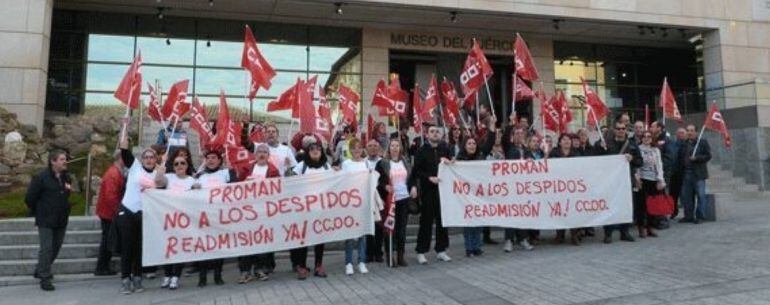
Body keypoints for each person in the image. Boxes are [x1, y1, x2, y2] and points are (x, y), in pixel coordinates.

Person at [116, 138, 160, 294]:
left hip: (145, 216)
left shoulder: (158, 174)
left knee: (140, 249)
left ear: (156, 160)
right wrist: (125, 131)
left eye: (152, 157)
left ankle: (137, 278)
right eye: (146, 157)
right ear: (142, 159)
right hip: (127, 212)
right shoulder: (135, 167)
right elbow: (124, 151)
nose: (149, 160)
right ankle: (125, 279)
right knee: (127, 248)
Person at [25, 150, 72, 291]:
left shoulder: (66, 177)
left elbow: (67, 194)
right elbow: (29, 198)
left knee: (56, 247)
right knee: (46, 248)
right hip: (45, 219)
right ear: (53, 161)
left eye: (65, 159)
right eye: (62, 159)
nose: (65, 162)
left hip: (61, 218)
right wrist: (39, 210)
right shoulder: (41, 177)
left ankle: (40, 269)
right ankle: (45, 277)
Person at [237, 143, 281, 283]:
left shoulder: (273, 171)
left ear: (268, 156)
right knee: (246, 241)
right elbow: (237, 187)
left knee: (261, 241)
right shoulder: (246, 169)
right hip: (247, 212)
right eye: (259, 152)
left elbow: (278, 190)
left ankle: (259, 269)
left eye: (265, 152)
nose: (262, 154)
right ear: (255, 155)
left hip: (264, 213)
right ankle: (245, 271)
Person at [154, 153, 199, 290]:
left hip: (183, 220)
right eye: (176, 164)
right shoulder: (169, 177)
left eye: (182, 163)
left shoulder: (191, 180)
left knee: (179, 249)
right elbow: (158, 182)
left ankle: (176, 277)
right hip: (168, 219)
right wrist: (161, 168)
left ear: (187, 166)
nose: (179, 166)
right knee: (168, 248)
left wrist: (197, 188)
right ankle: (167, 275)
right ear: (172, 167)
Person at [595, 121, 642, 243]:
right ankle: (608, 233)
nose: (621, 130)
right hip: (611, 181)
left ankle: (624, 232)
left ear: (626, 130)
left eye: (623, 128)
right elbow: (598, 158)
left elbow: (640, 161)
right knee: (609, 206)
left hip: (626, 180)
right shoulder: (608, 144)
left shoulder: (632, 145)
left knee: (626, 206)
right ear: (614, 130)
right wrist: (600, 147)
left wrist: (632, 159)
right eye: (618, 128)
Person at [289, 141, 331, 279]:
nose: (315, 151)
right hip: (304, 209)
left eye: (318, 149)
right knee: (304, 238)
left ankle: (319, 265)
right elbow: (290, 181)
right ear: (308, 151)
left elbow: (335, 183)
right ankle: (302, 266)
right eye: (312, 149)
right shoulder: (302, 165)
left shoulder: (326, 166)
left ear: (321, 151)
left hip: (321, 209)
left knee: (320, 238)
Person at [412, 124, 453, 264]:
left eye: (437, 132)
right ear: (427, 134)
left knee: (443, 221)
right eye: (432, 132)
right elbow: (416, 171)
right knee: (426, 222)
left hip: (443, 190)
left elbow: (452, 166)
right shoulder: (422, 151)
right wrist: (429, 178)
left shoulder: (445, 149)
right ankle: (421, 251)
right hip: (428, 191)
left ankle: (441, 250)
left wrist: (450, 162)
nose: (435, 134)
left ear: (440, 135)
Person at [194, 149, 235, 287]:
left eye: (214, 158)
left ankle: (218, 275)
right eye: (208, 158)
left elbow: (236, 187)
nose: (211, 160)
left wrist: (232, 171)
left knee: (219, 246)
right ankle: (202, 277)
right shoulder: (200, 176)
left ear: (219, 160)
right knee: (203, 247)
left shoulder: (225, 173)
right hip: (203, 216)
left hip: (220, 215)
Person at [375, 138, 415, 267]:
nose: (395, 148)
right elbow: (377, 180)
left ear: (400, 148)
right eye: (392, 145)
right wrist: (384, 186)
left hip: (404, 198)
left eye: (397, 145)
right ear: (389, 147)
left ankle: (400, 256)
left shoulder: (406, 161)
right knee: (389, 229)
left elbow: (411, 178)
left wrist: (414, 187)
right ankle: (390, 256)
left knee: (402, 230)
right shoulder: (383, 163)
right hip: (390, 200)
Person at [455, 134, 494, 256]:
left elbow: (490, 142)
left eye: (474, 144)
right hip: (466, 196)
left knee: (478, 221)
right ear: (464, 146)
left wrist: (492, 129)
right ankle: (469, 248)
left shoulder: (480, 157)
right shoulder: (460, 159)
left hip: (479, 194)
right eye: (469, 144)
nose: (472, 146)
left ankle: (477, 246)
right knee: (468, 223)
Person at [341, 138, 370, 275]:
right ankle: (348, 263)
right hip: (350, 203)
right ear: (350, 150)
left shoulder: (366, 163)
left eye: (359, 147)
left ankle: (362, 262)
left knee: (362, 234)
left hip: (363, 202)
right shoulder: (346, 164)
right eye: (354, 147)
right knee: (350, 235)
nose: (357, 150)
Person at [94, 151, 126, 276]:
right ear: (120, 159)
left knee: (107, 239)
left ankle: (103, 266)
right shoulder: (113, 174)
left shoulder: (114, 172)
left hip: (107, 211)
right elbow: (111, 196)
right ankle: (102, 267)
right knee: (107, 239)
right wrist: (118, 212)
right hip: (108, 212)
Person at [549, 134, 581, 245]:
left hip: (572, 188)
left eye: (568, 139)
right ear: (559, 142)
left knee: (573, 211)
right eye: (564, 139)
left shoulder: (576, 154)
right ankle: (560, 234)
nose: (567, 141)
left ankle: (574, 234)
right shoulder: (554, 153)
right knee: (560, 211)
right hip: (559, 188)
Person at [678, 124, 711, 224]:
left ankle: (700, 216)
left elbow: (708, 156)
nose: (689, 132)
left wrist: (697, 158)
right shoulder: (684, 143)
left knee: (701, 195)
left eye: (692, 131)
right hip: (686, 173)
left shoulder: (702, 142)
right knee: (686, 196)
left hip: (698, 174)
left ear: (696, 132)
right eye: (688, 130)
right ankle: (688, 216)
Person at [637, 130, 665, 238]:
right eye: (644, 136)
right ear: (641, 138)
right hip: (642, 180)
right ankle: (642, 227)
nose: (646, 138)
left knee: (652, 205)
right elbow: (636, 165)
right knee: (642, 205)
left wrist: (660, 179)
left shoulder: (656, 150)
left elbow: (659, 165)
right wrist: (637, 178)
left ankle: (650, 227)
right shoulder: (638, 149)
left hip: (654, 180)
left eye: (649, 136)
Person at [364, 139, 384, 262]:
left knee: (379, 226)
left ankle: (378, 252)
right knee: (368, 225)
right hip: (366, 197)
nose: (372, 148)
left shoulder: (383, 162)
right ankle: (368, 252)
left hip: (379, 198)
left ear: (379, 148)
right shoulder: (362, 163)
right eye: (370, 146)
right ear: (366, 148)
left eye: (375, 146)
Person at [669, 127, 688, 219]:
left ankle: (687, 213)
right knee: (673, 194)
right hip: (674, 173)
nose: (681, 134)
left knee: (685, 194)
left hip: (685, 173)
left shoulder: (689, 144)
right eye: (679, 133)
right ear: (676, 134)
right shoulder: (673, 144)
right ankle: (673, 211)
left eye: (683, 133)